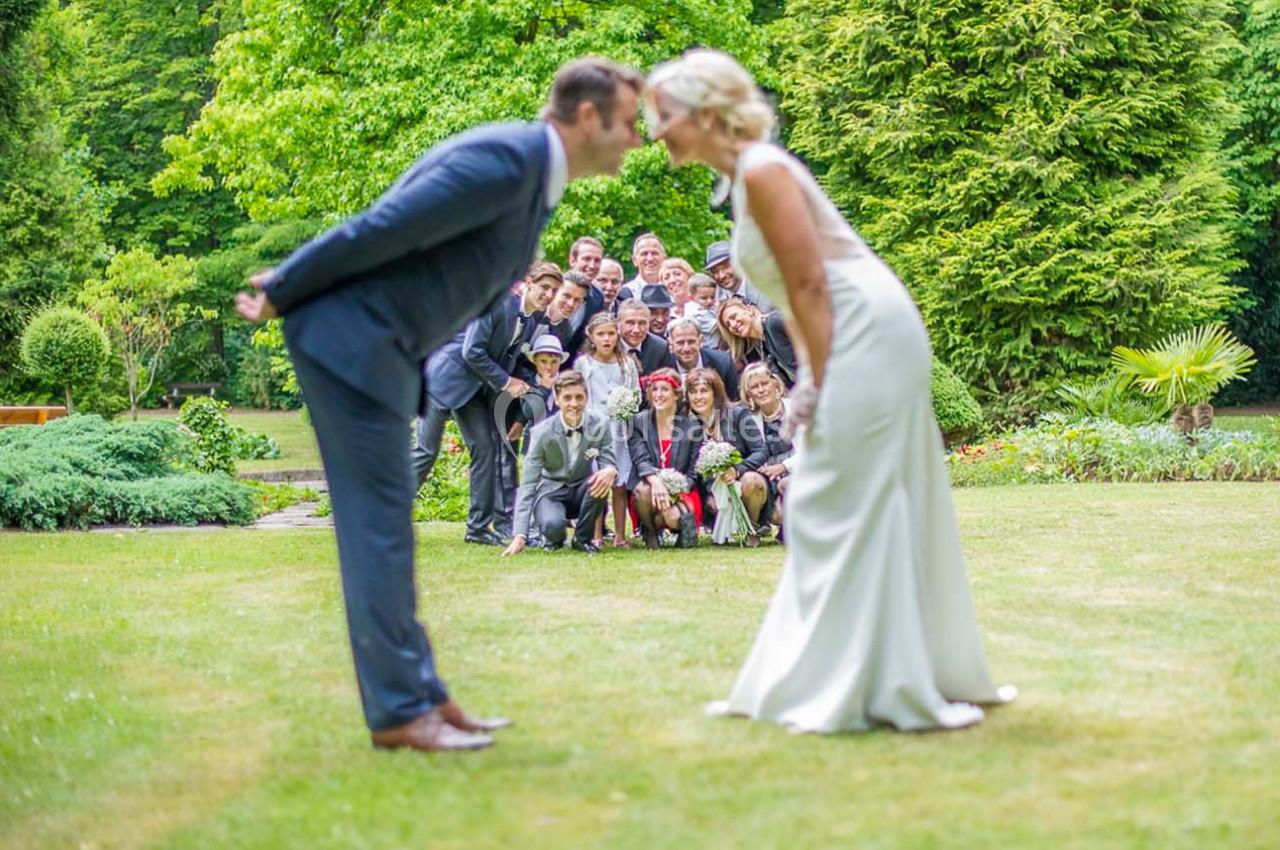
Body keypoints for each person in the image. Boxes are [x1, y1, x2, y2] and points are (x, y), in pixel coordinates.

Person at [234, 57, 644, 754]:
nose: (637, 139)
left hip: (379, 350)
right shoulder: (506, 161)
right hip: (349, 342)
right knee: (378, 529)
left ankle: (424, 695)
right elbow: (382, 227)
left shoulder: (530, 177)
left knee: (388, 527)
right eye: (629, 123)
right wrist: (286, 283)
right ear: (586, 117)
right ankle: (399, 710)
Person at [647, 48, 1014, 732]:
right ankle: (829, 674)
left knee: (827, 497)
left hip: (863, 332)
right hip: (848, 327)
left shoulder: (761, 170)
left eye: (663, 115)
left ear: (703, 112)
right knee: (834, 495)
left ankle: (879, 683)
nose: (656, 130)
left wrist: (814, 379)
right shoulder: (743, 177)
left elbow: (812, 284)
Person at [417, 262, 561, 544]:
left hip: (472, 391)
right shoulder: (498, 304)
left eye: (554, 290)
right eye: (544, 287)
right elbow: (473, 351)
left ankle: (478, 529)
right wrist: (507, 383)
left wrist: (538, 378)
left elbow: (510, 357)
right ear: (528, 282)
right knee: (425, 452)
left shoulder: (531, 320)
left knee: (485, 449)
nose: (548, 294)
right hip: (442, 381)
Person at [503, 371, 618, 556]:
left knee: (602, 478)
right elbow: (528, 484)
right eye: (568, 398)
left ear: (587, 398)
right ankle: (552, 538)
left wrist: (610, 469)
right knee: (553, 526)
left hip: (582, 489)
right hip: (551, 491)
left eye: (579, 397)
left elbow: (609, 461)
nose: (574, 404)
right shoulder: (541, 432)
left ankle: (582, 539)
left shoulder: (600, 424)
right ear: (557, 400)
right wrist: (520, 535)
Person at [573, 312, 640, 548]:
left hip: (620, 430)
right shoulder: (584, 364)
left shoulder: (627, 363)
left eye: (611, 333)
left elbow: (635, 394)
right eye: (601, 334)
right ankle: (596, 535)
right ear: (591, 336)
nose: (606, 339)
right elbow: (579, 395)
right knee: (597, 484)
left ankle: (621, 536)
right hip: (595, 431)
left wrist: (626, 405)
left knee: (619, 485)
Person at [684, 367, 768, 547]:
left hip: (743, 480)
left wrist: (737, 470)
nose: (698, 397)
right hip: (711, 488)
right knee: (714, 503)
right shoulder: (689, 426)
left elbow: (761, 450)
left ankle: (752, 529)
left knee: (751, 481)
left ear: (716, 393)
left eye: (704, 391)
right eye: (693, 392)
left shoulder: (738, 414)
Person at [627, 369, 702, 550]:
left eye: (665, 390)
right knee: (641, 492)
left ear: (676, 395)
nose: (658, 395)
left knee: (672, 518)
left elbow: (693, 472)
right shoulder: (638, 422)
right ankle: (651, 533)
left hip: (681, 490)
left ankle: (669, 525)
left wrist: (675, 490)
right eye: (655, 390)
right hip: (648, 489)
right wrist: (656, 482)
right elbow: (640, 459)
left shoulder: (692, 426)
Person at [739, 362, 792, 536]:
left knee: (787, 490)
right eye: (755, 387)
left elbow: (814, 448)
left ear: (775, 384)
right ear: (749, 394)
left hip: (797, 470)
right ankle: (754, 528)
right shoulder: (747, 418)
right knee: (751, 482)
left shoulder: (796, 408)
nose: (761, 390)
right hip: (765, 476)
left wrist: (784, 467)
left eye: (765, 383)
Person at [717, 296, 799, 389]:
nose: (733, 325)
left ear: (749, 310)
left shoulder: (774, 322)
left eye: (734, 316)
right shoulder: (761, 348)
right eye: (728, 325)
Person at [667, 316, 739, 401]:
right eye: (680, 343)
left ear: (701, 341)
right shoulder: (663, 364)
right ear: (671, 344)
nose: (686, 348)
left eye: (691, 342)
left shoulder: (723, 363)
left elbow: (732, 402)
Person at [703, 239, 773, 312]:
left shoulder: (764, 283)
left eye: (725, 267)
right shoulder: (712, 302)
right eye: (715, 271)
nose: (721, 276)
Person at [615, 298, 675, 375]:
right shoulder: (609, 346)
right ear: (618, 323)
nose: (636, 330)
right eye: (630, 323)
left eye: (642, 323)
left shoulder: (660, 348)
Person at [565, 236, 606, 342]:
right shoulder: (554, 288)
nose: (592, 265)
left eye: (597, 260)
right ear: (572, 260)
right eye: (586, 259)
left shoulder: (598, 298)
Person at [618, 232, 666, 300]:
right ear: (634, 260)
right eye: (644, 254)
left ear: (664, 258)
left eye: (654, 253)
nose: (650, 259)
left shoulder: (673, 291)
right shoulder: (624, 294)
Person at [683, 273, 723, 350]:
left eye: (712, 297)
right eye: (704, 298)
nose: (709, 301)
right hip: (708, 349)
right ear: (691, 297)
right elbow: (719, 325)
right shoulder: (695, 313)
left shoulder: (709, 307)